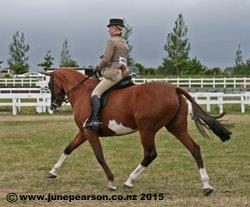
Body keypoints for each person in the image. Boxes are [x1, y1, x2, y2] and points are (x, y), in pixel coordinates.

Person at [85, 18, 130, 131]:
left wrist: (97, 68)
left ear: (115, 28)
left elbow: (106, 60)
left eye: (110, 28)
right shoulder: (124, 42)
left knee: (95, 93)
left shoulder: (112, 41)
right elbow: (119, 60)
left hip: (115, 73)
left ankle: (95, 120)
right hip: (124, 72)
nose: (108, 30)